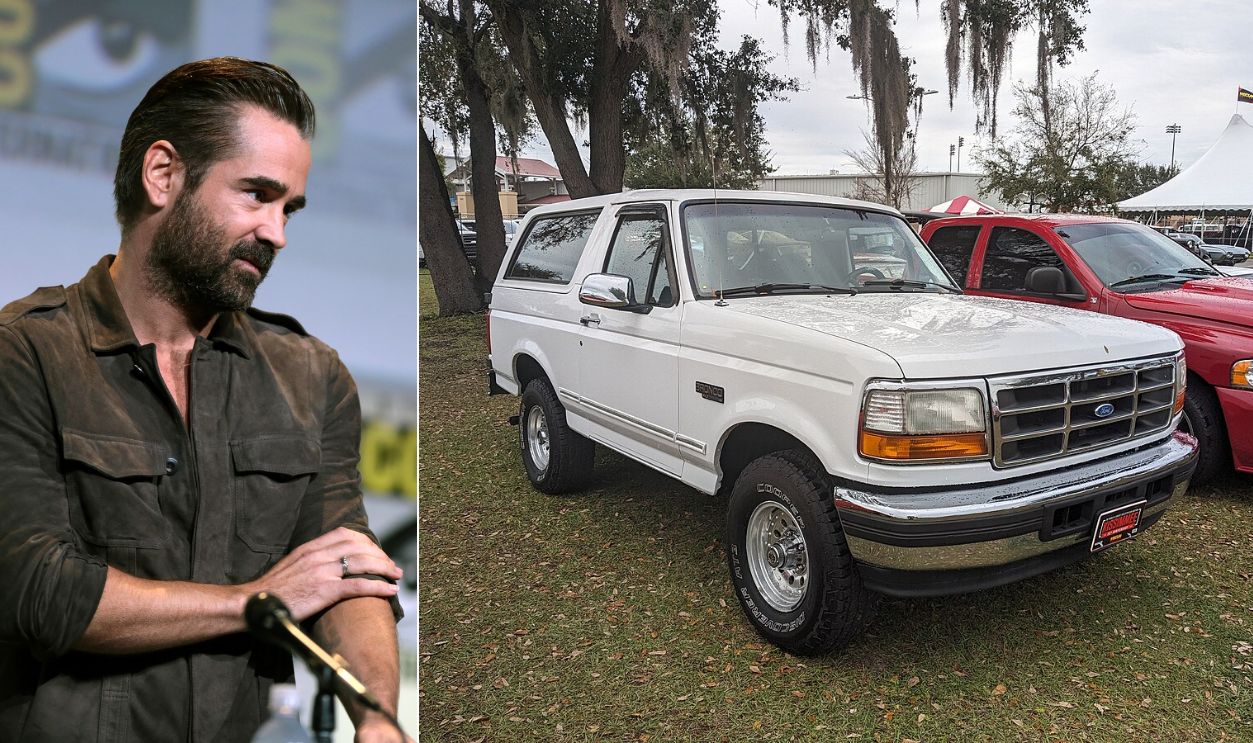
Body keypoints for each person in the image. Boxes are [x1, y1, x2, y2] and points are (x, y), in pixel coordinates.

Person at [0, 58, 406, 742]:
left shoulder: (313, 376)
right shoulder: (24, 352)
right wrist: (258, 602)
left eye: (289, 209)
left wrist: (377, 716)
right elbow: (38, 590)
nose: (277, 232)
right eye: (256, 194)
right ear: (163, 175)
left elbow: (348, 569)